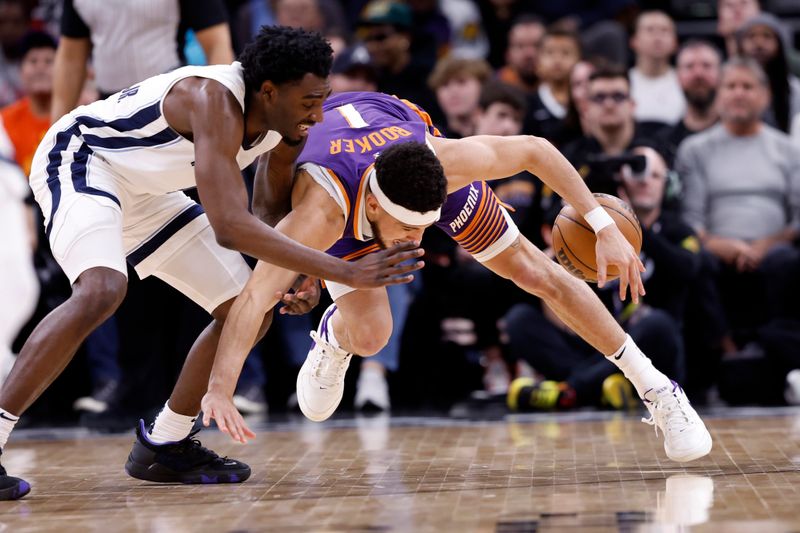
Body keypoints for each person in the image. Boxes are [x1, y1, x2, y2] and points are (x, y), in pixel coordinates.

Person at [0, 26, 422, 501]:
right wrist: (340, 270)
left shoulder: (287, 124)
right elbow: (230, 225)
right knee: (102, 289)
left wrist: (300, 271)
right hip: (83, 160)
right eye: (309, 101)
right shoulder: (214, 100)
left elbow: (266, 215)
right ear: (269, 91)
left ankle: (165, 442)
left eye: (323, 99)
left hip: (147, 193)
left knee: (248, 308)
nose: (318, 113)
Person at [199, 90, 713, 466]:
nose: (417, 242)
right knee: (374, 337)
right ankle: (335, 337)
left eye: (425, 228)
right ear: (375, 205)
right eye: (407, 229)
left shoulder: (447, 165)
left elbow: (535, 149)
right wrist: (222, 387)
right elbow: (252, 300)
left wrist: (602, 225)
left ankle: (660, 392)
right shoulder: (319, 215)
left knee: (539, 273)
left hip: (400, 152)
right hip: (339, 181)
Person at [677, 57, 800, 334]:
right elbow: (691, 218)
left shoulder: (788, 150)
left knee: (787, 262)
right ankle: (723, 350)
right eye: (730, 86)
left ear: (766, 96)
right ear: (718, 96)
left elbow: (797, 220)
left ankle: (775, 346)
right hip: (714, 250)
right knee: (696, 262)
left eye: (747, 86)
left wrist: (765, 245)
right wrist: (720, 244)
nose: (739, 93)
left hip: (775, 251)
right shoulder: (695, 149)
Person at [0, 31, 55, 175]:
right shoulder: (4, 121)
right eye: (33, 61)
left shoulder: (76, 116)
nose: (41, 67)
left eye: (49, 61)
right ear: (20, 71)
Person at [660, 40, 722, 162]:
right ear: (677, 76)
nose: (698, 74)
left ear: (721, 74)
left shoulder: (740, 135)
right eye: (689, 66)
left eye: (706, 66)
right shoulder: (665, 144)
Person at [629, 11, 685, 129]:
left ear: (675, 42)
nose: (657, 37)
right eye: (650, 30)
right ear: (634, 41)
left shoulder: (686, 81)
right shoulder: (623, 83)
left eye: (664, 30)